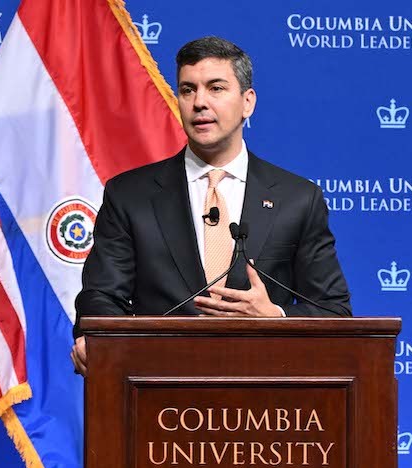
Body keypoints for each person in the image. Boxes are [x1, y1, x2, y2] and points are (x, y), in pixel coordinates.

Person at [69, 36, 351, 375]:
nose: (199, 102)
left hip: (266, 398)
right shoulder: (130, 195)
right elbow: (101, 299)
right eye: (188, 90)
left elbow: (334, 311)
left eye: (215, 88)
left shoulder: (297, 199)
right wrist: (95, 337)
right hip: (158, 391)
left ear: (248, 102)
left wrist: (275, 316)